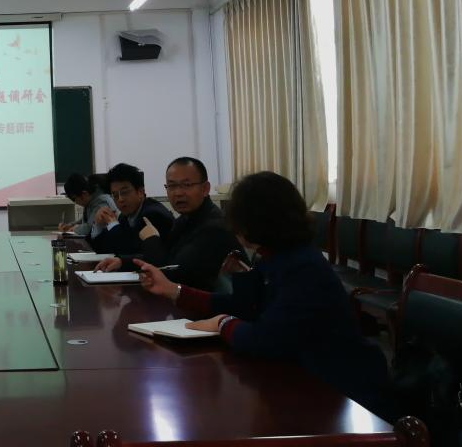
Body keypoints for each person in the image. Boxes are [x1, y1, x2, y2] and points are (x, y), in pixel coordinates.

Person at [130, 171, 392, 418]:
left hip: (341, 392)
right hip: (303, 375)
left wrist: (222, 323)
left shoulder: (302, 267)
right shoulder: (278, 255)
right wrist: (173, 290)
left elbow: (264, 339)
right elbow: (244, 306)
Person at [96, 157, 239, 289]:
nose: (178, 193)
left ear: (205, 189)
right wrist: (122, 262)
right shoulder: (184, 220)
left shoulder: (214, 227)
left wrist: (151, 239)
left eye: (186, 185)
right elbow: (168, 256)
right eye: (171, 186)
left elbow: (172, 273)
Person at [89, 163, 174, 255]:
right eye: (115, 195)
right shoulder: (124, 216)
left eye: (124, 192)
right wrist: (98, 225)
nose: (120, 199)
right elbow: (103, 249)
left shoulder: (152, 215)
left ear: (140, 192)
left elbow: (130, 251)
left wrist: (113, 225)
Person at [59, 172, 118, 238]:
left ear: (84, 194)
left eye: (74, 199)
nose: (75, 202)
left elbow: (90, 227)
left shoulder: (101, 203)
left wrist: (74, 229)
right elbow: (87, 219)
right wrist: (70, 225)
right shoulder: (91, 200)